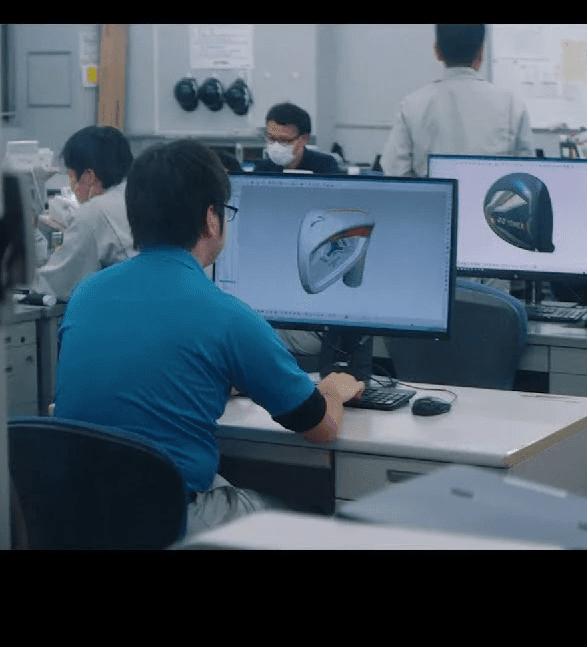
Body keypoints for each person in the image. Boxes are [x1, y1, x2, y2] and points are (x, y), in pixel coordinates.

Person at [52, 139, 364, 538]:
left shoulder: (86, 295)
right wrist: (333, 390)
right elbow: (320, 428)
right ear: (212, 219)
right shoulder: (227, 316)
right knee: (314, 519)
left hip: (78, 519)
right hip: (168, 522)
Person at [380, 24, 536, 178]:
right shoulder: (512, 106)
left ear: (437, 51)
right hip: (491, 195)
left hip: (434, 195)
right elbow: (528, 176)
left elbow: (394, 171)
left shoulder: (413, 105)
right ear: (481, 52)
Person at [32, 126, 137, 302]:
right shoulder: (138, 195)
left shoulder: (95, 212)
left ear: (88, 176)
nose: (71, 185)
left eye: (71, 176)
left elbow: (58, 284)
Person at [252, 102, 344, 174]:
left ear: (304, 139)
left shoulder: (325, 165)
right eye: (271, 138)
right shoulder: (263, 168)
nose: (276, 145)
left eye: (284, 140)